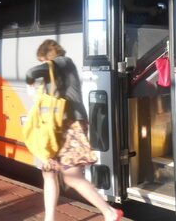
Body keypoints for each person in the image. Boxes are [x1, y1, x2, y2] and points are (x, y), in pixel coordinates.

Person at [25, 39, 123, 221]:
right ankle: (49, 218)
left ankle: (109, 212)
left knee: (71, 177)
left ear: (47, 56)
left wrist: (30, 83)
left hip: (70, 127)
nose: (42, 64)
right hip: (55, 129)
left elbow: (31, 72)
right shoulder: (59, 74)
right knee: (48, 173)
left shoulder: (63, 62)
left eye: (42, 60)